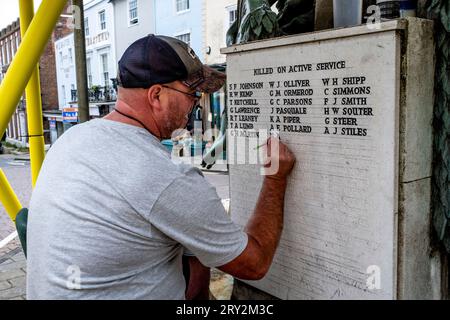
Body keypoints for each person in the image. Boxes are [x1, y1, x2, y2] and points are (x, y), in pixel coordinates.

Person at [26, 34, 296, 299]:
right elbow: (254, 263)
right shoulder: (165, 176)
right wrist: (275, 177)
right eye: (192, 94)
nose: (196, 104)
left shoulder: (72, 138)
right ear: (157, 96)